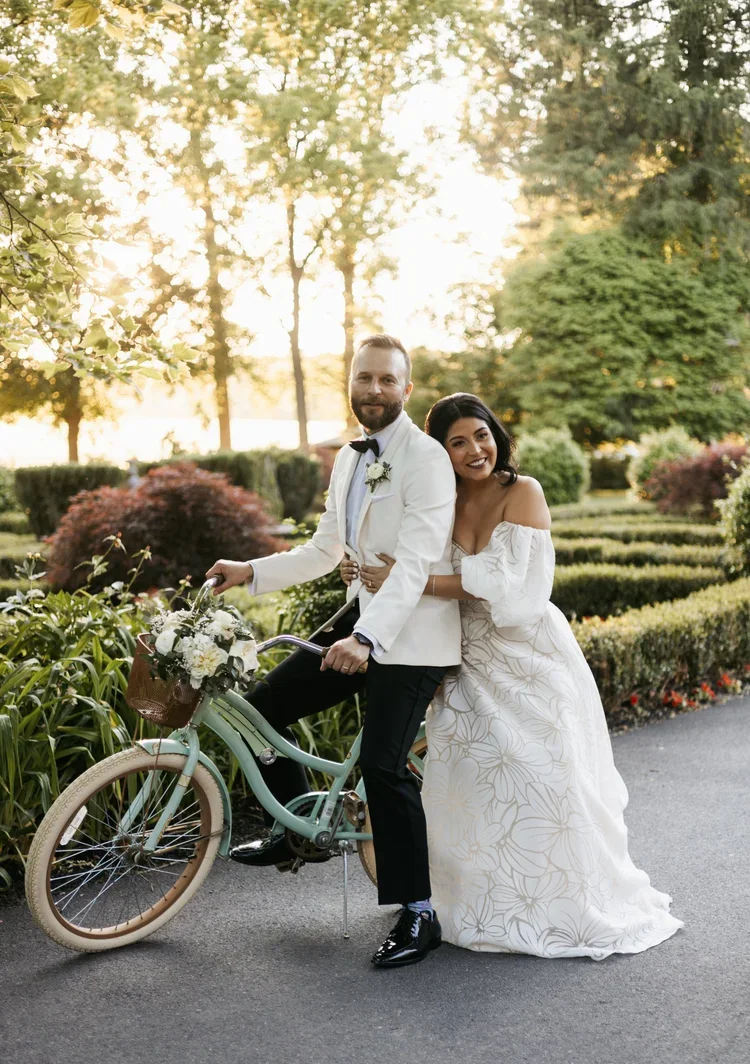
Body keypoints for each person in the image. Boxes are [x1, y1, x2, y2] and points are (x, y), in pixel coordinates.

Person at [344, 393, 683, 960]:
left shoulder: (522, 492)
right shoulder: (442, 499)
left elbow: (519, 591)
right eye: (457, 442)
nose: (474, 449)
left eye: (481, 434)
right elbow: (407, 553)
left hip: (526, 653)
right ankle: (466, 900)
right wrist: (366, 567)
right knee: (471, 781)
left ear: (497, 434)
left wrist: (411, 580)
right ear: (441, 452)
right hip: (463, 652)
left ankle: (562, 901)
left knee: (547, 776)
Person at [206, 335, 462, 969]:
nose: (373, 390)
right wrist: (250, 569)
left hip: (414, 632)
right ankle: (296, 835)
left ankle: (419, 914)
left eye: (387, 381)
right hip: (359, 615)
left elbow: (416, 564)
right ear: (351, 382)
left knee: (382, 765)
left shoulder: (426, 458)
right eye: (364, 378)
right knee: (259, 709)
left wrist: (368, 640)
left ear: (407, 388)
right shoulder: (350, 460)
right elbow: (326, 550)